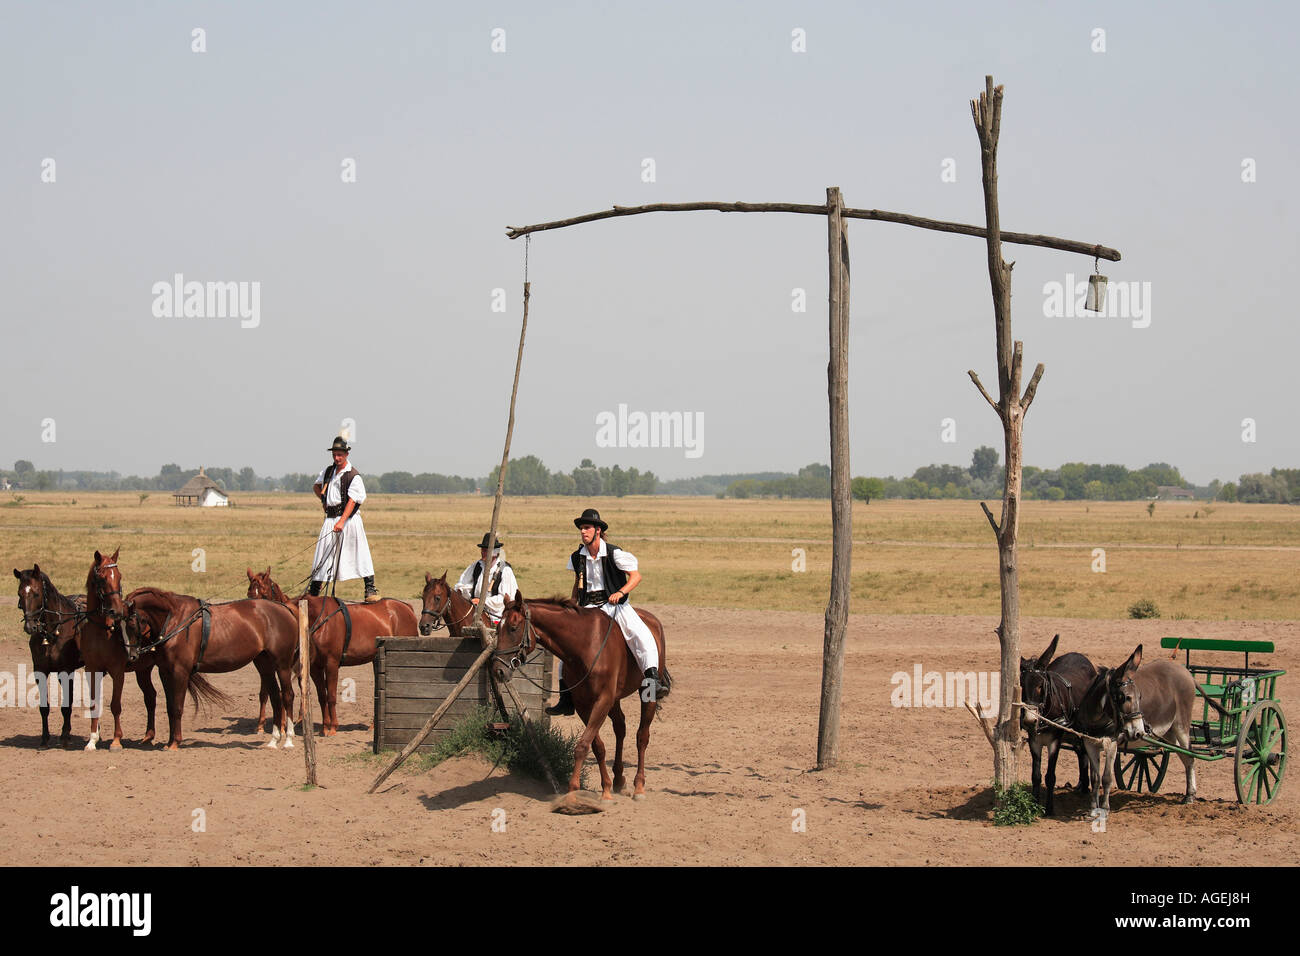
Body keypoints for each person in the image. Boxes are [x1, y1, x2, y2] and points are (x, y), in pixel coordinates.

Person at [546, 507, 661, 716]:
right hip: (588, 608)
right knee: (567, 650)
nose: (583, 532)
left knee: (641, 636)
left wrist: (621, 592)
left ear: (598, 530)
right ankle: (566, 698)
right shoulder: (577, 557)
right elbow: (576, 584)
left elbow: (636, 577)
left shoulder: (614, 553)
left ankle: (653, 684)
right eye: (581, 528)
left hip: (615, 605)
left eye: (587, 528)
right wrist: (572, 605)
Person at [309, 436, 380, 602]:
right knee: (322, 555)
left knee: (359, 552)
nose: (336, 458)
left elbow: (353, 500)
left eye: (339, 454)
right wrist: (323, 500)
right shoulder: (328, 472)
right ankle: (313, 593)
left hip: (349, 520)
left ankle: (370, 588)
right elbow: (316, 486)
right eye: (334, 454)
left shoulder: (353, 475)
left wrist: (342, 521)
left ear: (346, 454)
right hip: (330, 519)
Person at [454, 533, 519, 627]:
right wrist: (462, 593)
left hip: (496, 617)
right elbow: (462, 585)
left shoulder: (505, 570)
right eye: (482, 550)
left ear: (494, 552)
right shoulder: (476, 566)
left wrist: (482, 601)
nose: (482, 552)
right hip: (474, 613)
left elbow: (505, 599)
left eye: (486, 550)